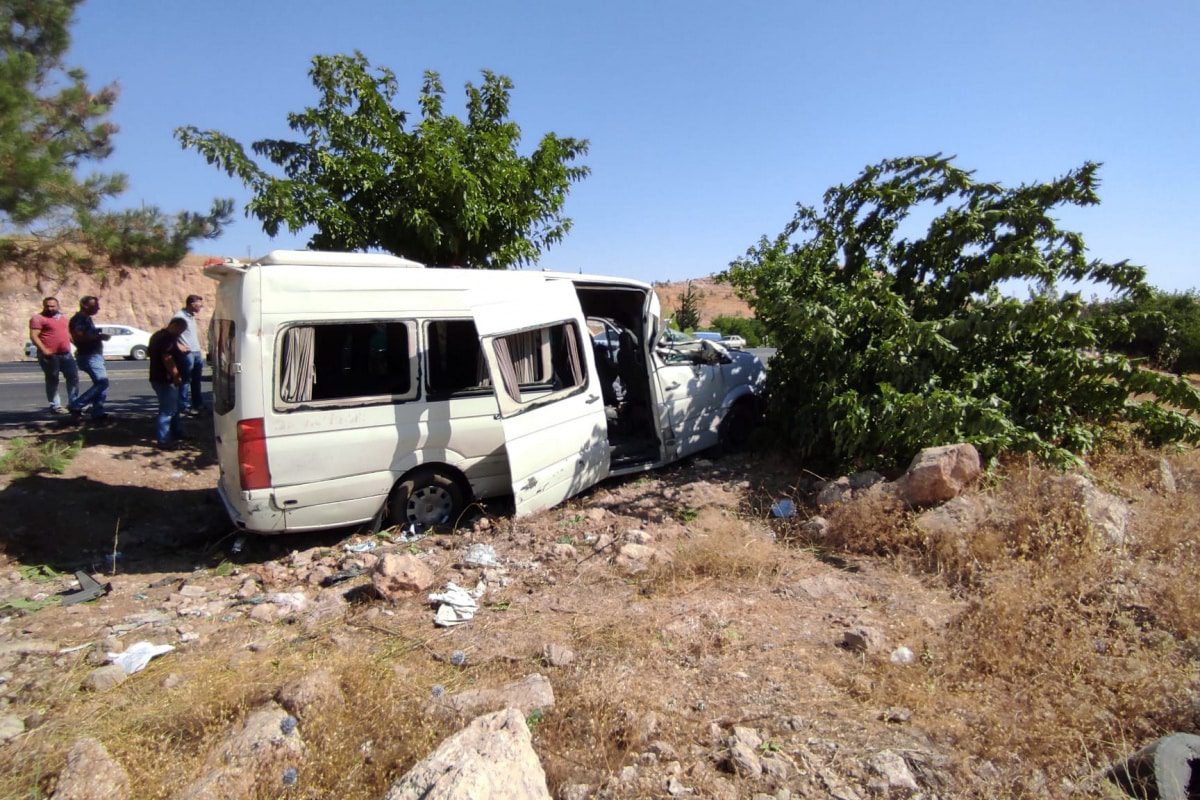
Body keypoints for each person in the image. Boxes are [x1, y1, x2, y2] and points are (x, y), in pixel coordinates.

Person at [28, 297, 79, 416]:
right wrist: (44, 350)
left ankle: (74, 403)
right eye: (47, 306)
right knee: (52, 380)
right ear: (43, 306)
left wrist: (78, 346)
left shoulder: (63, 318)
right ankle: (55, 406)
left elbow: (68, 334)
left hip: (66, 354)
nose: (50, 308)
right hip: (50, 356)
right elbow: (34, 336)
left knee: (73, 377)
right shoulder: (38, 319)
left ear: (57, 306)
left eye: (52, 306)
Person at [68, 296, 112, 421]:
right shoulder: (79, 320)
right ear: (85, 305)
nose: (98, 308)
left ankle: (98, 412)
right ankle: (77, 404)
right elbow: (79, 337)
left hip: (93, 354)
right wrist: (99, 337)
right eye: (95, 305)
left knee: (101, 384)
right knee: (102, 382)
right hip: (89, 355)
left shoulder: (86, 319)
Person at [148, 318, 189, 447]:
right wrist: (176, 375)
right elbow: (167, 358)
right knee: (167, 410)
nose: (180, 333)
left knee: (173, 408)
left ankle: (176, 432)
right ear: (174, 325)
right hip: (165, 379)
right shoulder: (167, 338)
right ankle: (164, 440)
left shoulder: (158, 335)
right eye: (180, 330)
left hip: (159, 377)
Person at [171, 294, 205, 415]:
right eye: (199, 305)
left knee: (196, 380)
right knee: (185, 380)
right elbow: (170, 333)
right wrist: (178, 345)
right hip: (187, 354)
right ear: (192, 304)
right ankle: (183, 406)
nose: (201, 307)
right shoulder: (179, 317)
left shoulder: (191, 316)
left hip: (196, 352)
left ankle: (198, 404)